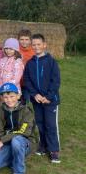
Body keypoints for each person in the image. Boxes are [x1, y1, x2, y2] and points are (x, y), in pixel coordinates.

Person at [0, 83, 36, 174]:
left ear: (18, 96)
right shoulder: (1, 111)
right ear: (2, 98)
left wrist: (2, 140)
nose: (9, 100)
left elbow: (23, 131)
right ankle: (15, 158)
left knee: (16, 141)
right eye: (6, 97)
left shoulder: (26, 111)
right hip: (8, 142)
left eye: (12, 96)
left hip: (25, 142)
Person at [23, 33, 61, 163]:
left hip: (50, 100)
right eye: (34, 44)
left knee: (50, 125)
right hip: (37, 100)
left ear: (44, 45)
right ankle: (43, 145)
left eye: (39, 44)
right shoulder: (30, 63)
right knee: (40, 124)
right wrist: (35, 94)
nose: (36, 46)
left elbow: (55, 81)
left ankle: (54, 150)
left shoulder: (51, 62)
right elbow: (27, 81)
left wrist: (48, 96)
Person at [18, 29, 35, 104]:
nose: (24, 41)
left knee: (25, 103)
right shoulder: (15, 50)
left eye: (26, 39)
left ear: (30, 40)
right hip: (16, 83)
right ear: (18, 40)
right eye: (21, 39)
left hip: (27, 84)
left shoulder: (34, 52)